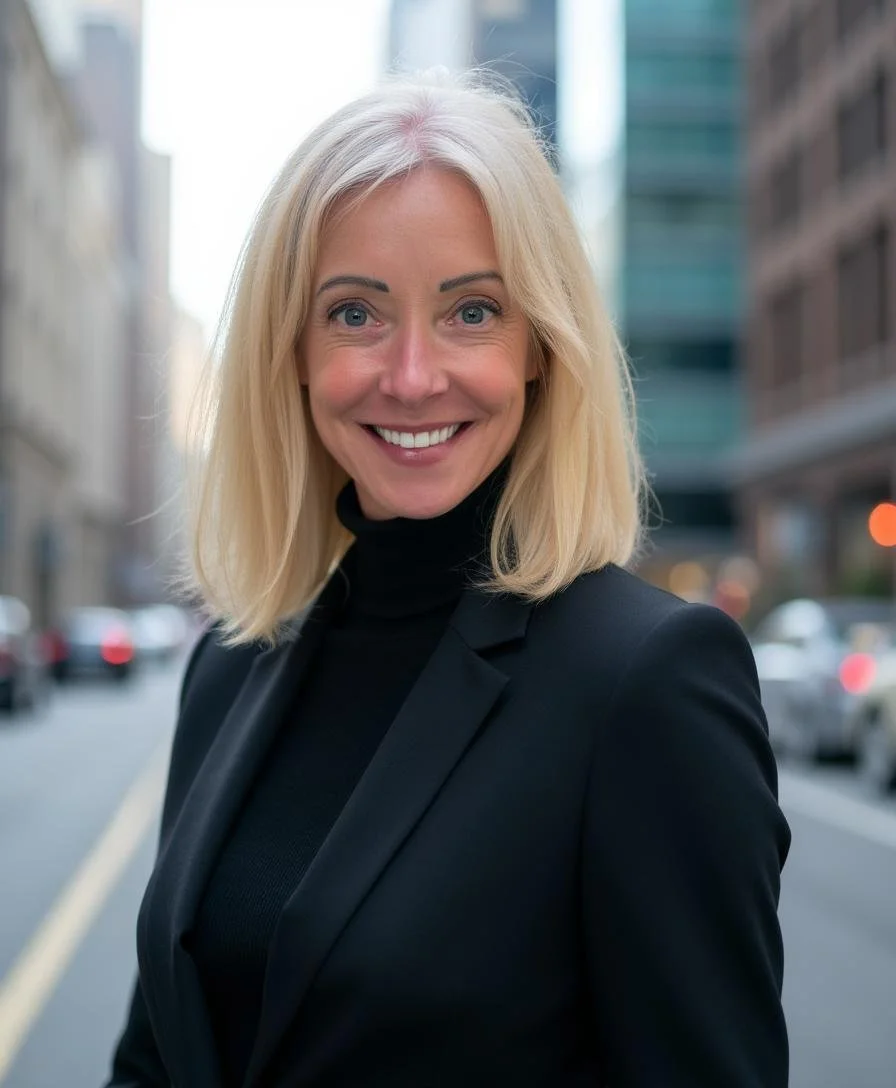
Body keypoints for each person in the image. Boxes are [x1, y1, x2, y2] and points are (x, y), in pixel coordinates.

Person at [106, 70, 790, 1088]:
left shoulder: (646, 681)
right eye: (355, 313)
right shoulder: (228, 667)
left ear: (539, 349)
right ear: (290, 352)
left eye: (472, 310)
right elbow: (159, 1055)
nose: (413, 373)